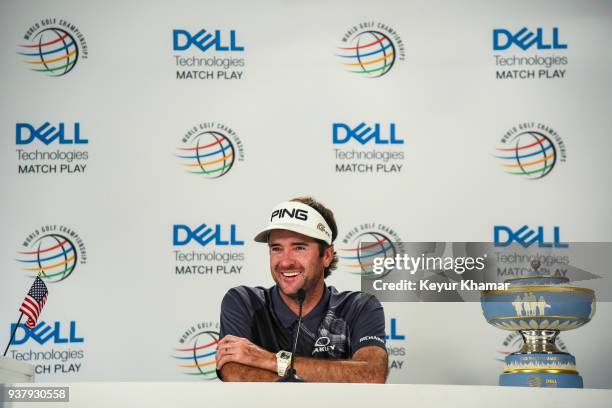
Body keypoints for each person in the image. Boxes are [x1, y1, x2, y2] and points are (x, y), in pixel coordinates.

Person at [215, 197, 388, 382]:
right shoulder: (243, 301)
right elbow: (235, 373)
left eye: (299, 247)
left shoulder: (359, 307)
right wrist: (330, 376)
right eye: (276, 248)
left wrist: (269, 360)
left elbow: (371, 374)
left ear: (327, 256)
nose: (286, 261)